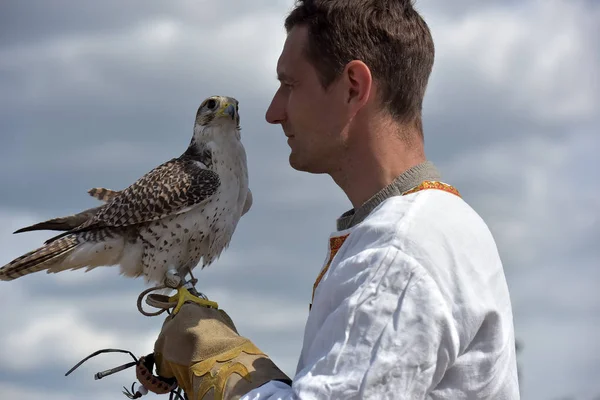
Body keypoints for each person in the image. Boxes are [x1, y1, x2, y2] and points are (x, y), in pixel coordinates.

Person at [148, 1, 521, 399]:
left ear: (354, 87)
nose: (274, 113)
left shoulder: (397, 251)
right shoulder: (429, 226)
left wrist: (213, 358)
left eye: (289, 86)